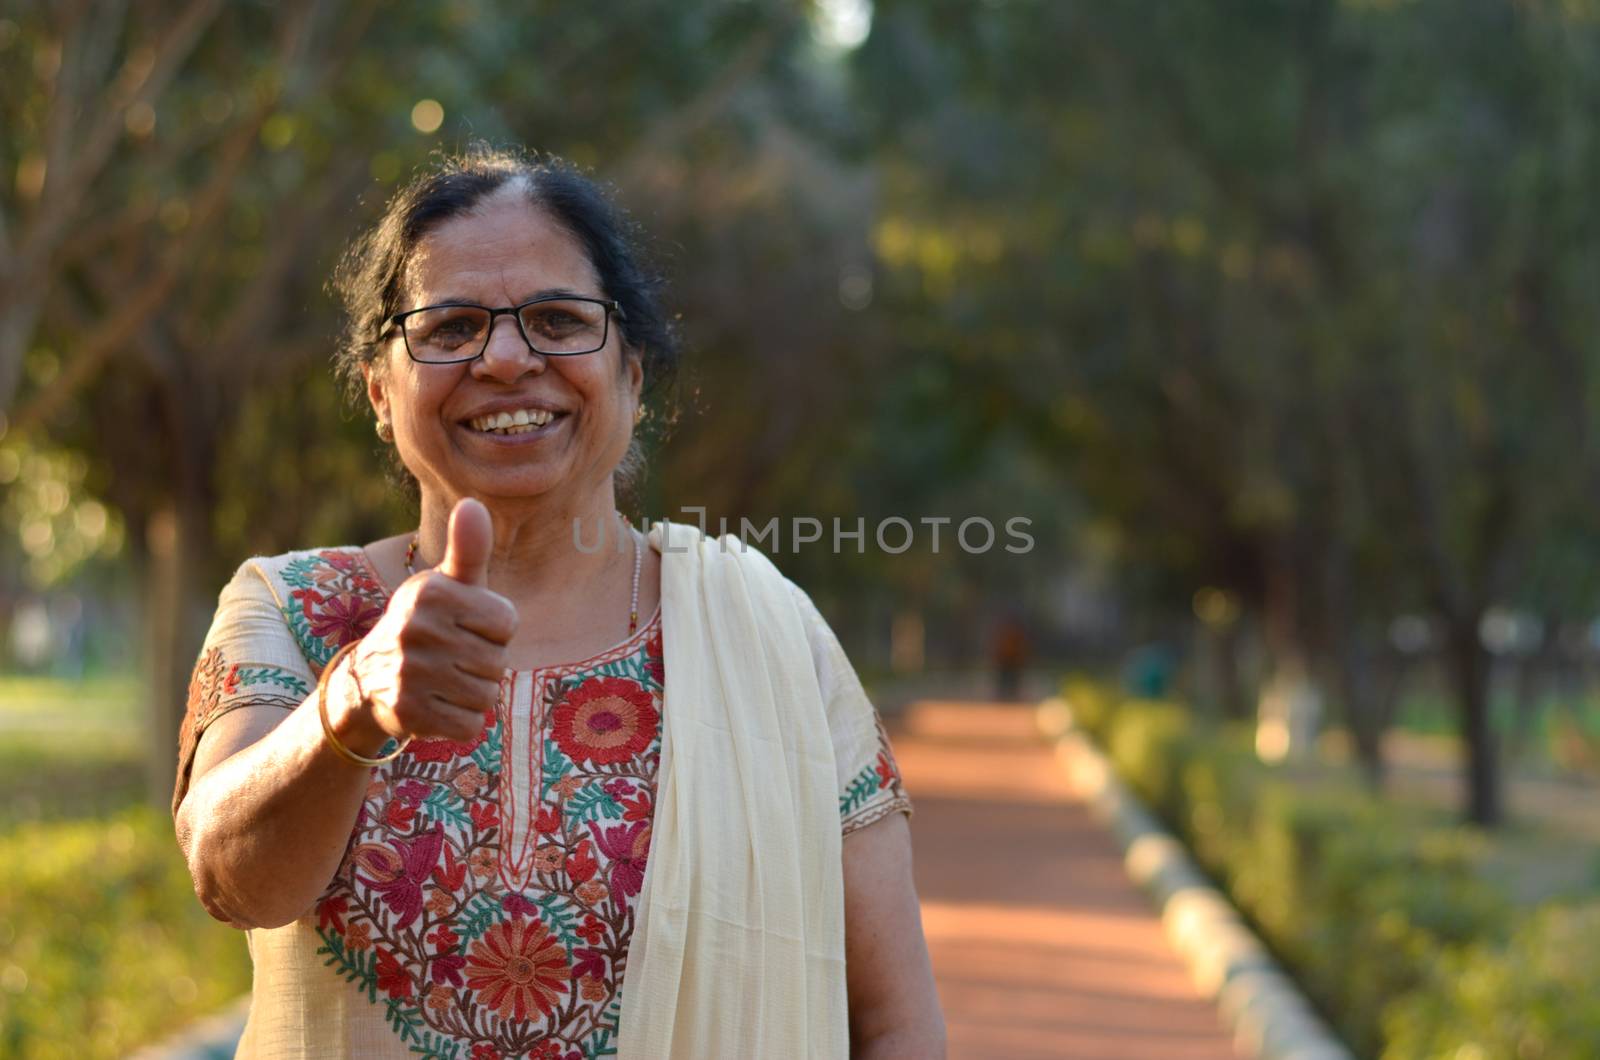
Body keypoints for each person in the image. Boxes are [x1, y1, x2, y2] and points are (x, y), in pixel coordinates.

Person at [172, 147, 945, 1059]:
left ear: (633, 375)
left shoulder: (773, 640)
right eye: (452, 327)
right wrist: (351, 703)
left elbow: (893, 1024)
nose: (505, 359)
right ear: (381, 392)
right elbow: (231, 881)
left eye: (557, 319)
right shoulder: (292, 607)